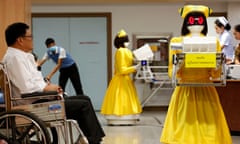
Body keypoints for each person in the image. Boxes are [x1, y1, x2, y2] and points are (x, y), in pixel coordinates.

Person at [2, 22, 105, 144]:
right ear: (20, 40)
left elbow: (33, 81)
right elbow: (27, 88)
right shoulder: (15, 58)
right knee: (83, 105)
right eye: (30, 37)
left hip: (36, 99)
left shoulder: (21, 56)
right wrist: (48, 89)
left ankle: (93, 139)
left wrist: (48, 86)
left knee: (85, 98)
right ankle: (93, 140)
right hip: (32, 104)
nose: (32, 40)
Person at [160, 5, 232, 144]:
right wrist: (178, 66)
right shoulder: (177, 42)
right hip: (185, 90)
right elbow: (171, 72)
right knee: (185, 126)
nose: (195, 23)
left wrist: (217, 64)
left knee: (208, 125)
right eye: (192, 19)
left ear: (204, 22)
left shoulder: (213, 42)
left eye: (199, 20)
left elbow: (216, 74)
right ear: (186, 21)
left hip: (205, 89)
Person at [100, 29, 142, 125]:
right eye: (125, 40)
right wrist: (135, 68)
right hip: (121, 79)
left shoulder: (127, 51)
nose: (128, 42)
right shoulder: (120, 51)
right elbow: (121, 69)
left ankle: (127, 116)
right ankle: (119, 117)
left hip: (126, 80)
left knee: (124, 98)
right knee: (121, 98)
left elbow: (131, 62)